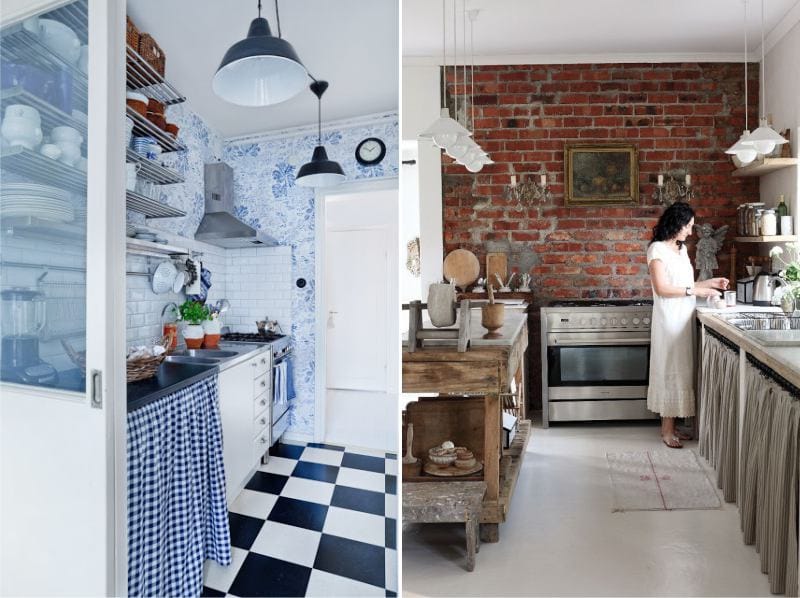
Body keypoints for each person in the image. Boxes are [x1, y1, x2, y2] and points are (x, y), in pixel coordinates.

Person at [647, 202, 729, 448]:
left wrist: (711, 283)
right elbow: (662, 289)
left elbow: (686, 284)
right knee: (669, 370)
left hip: (684, 316)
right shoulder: (657, 250)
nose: (691, 232)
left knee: (681, 371)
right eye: (688, 226)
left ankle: (671, 426)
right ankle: (666, 430)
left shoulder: (681, 250)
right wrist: (697, 290)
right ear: (676, 223)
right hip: (669, 319)